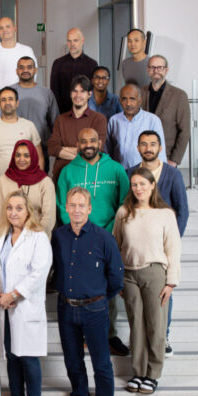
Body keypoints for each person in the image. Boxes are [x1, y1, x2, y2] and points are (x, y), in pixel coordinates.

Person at [56, 127, 130, 356]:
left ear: (100, 142)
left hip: (108, 236)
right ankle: (83, 336)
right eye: (83, 140)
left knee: (106, 285)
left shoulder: (116, 169)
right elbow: (62, 205)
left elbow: (125, 203)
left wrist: (110, 232)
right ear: (77, 144)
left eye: (92, 140)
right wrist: (77, 229)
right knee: (81, 284)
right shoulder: (68, 171)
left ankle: (109, 334)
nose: (88, 144)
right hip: (77, 236)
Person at [53, 187, 124, 396]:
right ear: (66, 208)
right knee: (73, 362)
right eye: (72, 205)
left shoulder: (104, 238)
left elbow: (116, 278)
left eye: (81, 205)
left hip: (95, 310)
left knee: (101, 364)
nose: (76, 210)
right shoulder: (58, 236)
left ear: (89, 209)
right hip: (66, 309)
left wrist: (98, 297)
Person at [113, 167, 181, 395]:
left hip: (155, 274)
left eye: (143, 184)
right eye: (135, 184)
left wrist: (171, 282)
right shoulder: (124, 212)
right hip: (129, 275)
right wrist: (118, 278)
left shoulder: (165, 214)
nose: (139, 188)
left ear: (152, 185)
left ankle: (153, 374)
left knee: (156, 325)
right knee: (137, 325)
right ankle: (138, 372)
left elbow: (173, 250)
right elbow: (116, 245)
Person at [0, 190, 52, 396]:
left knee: (29, 360)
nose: (13, 212)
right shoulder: (0, 237)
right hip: (4, 307)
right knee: (11, 357)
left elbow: (39, 273)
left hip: (25, 308)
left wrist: (12, 295)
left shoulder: (38, 238)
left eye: (19, 208)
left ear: (28, 211)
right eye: (10, 208)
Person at [127, 130, 189, 356]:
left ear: (160, 148)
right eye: (143, 144)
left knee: (164, 291)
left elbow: (183, 211)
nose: (148, 148)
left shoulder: (172, 175)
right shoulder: (130, 173)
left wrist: (172, 240)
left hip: (163, 245)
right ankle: (139, 337)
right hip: (138, 246)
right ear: (138, 147)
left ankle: (165, 335)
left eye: (153, 144)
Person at [0, 87, 43, 238]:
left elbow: (39, 156)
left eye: (10, 99)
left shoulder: (28, 125)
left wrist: (40, 180)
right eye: (3, 100)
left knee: (25, 224)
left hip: (25, 183)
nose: (7, 103)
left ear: (17, 103)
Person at [0, 56, 59, 169]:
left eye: (29, 67)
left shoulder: (47, 94)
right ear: (17, 71)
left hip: (40, 150)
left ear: (35, 70)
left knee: (38, 185)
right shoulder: (7, 93)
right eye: (21, 67)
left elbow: (55, 123)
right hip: (11, 150)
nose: (25, 70)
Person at [48, 75, 108, 182]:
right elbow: (52, 148)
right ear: (70, 94)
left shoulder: (99, 119)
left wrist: (63, 150)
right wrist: (83, 152)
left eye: (82, 91)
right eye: (75, 91)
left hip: (88, 176)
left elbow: (97, 149)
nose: (78, 95)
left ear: (89, 94)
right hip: (61, 177)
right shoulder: (61, 119)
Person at [0, 140, 56, 238]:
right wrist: (9, 238)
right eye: (18, 155)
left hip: (37, 237)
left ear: (33, 157)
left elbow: (49, 216)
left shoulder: (45, 182)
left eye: (26, 155)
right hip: (9, 238)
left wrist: (36, 237)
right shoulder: (2, 181)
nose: (21, 159)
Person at [0, 17, 37, 117]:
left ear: (15, 29)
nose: (4, 30)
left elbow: (32, 78)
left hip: (20, 107)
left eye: (8, 27)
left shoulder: (26, 51)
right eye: (1, 28)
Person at [141, 55, 191, 166]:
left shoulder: (179, 95)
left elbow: (185, 131)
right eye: (152, 67)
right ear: (147, 70)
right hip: (141, 157)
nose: (156, 71)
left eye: (160, 67)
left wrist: (174, 160)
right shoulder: (140, 92)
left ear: (166, 70)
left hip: (166, 157)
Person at [106, 83, 167, 168]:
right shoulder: (114, 120)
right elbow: (108, 150)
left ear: (140, 100)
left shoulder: (153, 120)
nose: (128, 103)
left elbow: (160, 152)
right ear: (120, 101)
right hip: (120, 173)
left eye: (132, 99)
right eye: (124, 99)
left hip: (145, 174)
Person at [50, 28, 98, 114]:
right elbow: (54, 91)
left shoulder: (92, 64)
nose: (72, 44)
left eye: (75, 40)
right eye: (69, 41)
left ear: (82, 41)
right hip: (62, 112)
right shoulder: (58, 63)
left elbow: (93, 91)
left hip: (85, 112)